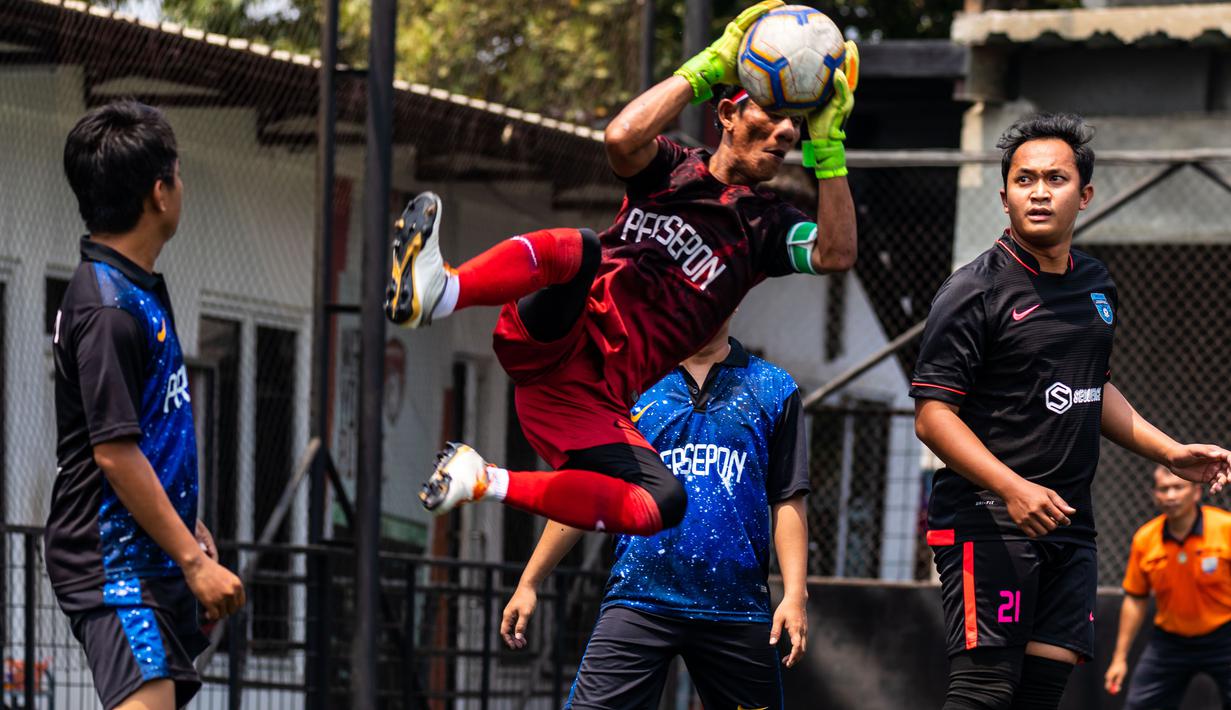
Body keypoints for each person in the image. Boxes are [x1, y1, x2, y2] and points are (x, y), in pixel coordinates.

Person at [385, 0, 857, 537]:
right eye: (770, 113)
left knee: (663, 503)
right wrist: (707, 66)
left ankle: (484, 480)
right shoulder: (673, 168)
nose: (785, 133)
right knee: (581, 250)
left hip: (591, 396)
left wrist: (832, 147)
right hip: (559, 330)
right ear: (727, 114)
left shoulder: (767, 225)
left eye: (795, 123)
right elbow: (619, 138)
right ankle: (443, 290)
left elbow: (835, 254)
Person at [911, 113, 1231, 710]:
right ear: (1003, 194)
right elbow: (932, 416)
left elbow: (1092, 388)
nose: (1038, 192)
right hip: (991, 519)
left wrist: (1170, 451)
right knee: (984, 690)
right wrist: (1012, 488)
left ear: (1083, 195)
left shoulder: (1096, 285)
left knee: (1041, 693)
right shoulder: (973, 291)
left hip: (1070, 524)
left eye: (1055, 179)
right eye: (1023, 179)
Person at [499, 320, 809, 709]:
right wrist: (529, 581)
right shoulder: (630, 380)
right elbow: (588, 488)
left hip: (735, 606)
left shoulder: (774, 388)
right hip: (639, 598)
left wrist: (795, 594)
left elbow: (788, 498)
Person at [49, 100, 245, 710]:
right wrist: (193, 560)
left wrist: (186, 524)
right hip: (114, 564)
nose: (182, 188)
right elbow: (113, 451)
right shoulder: (109, 308)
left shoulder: (135, 290)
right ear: (159, 193)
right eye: (178, 175)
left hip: (147, 553)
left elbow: (151, 428)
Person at [1105, 465, 1231, 708]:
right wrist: (1119, 659)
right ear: (1155, 495)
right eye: (1164, 489)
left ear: (1195, 492)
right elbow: (1135, 598)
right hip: (1170, 642)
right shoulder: (1145, 538)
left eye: (1178, 488)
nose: (1171, 496)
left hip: (1224, 636)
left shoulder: (1225, 527)